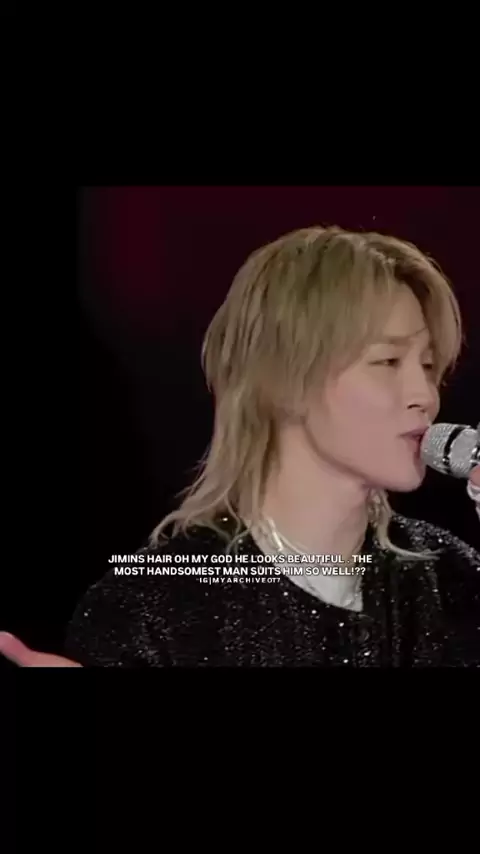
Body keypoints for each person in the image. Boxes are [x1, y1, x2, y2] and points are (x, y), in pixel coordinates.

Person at [1, 225, 479, 667]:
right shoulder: (156, 610)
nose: (424, 395)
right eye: (388, 361)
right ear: (286, 378)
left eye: (428, 366)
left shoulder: (454, 581)